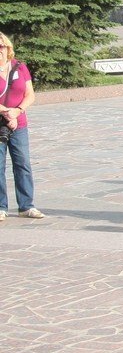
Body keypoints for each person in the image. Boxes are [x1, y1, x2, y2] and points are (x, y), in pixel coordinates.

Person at [0, 32, 43, 220]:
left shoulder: (20, 67)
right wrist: (6, 112)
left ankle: (26, 206)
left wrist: (17, 111)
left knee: (23, 163)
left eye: (2, 47)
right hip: (2, 120)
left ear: (8, 48)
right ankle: (1, 207)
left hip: (19, 124)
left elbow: (30, 94)